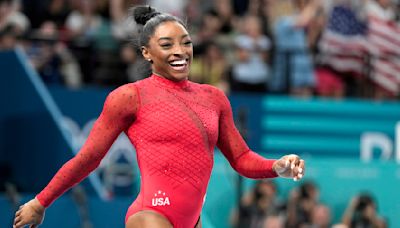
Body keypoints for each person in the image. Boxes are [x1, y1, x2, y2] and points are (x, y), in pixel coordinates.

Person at [13, 5, 305, 228]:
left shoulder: (214, 97)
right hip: (149, 216)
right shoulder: (129, 97)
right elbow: (88, 158)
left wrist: (276, 166)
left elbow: (241, 159)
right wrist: (41, 202)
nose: (180, 51)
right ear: (147, 53)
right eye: (166, 45)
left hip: (193, 220)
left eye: (186, 42)